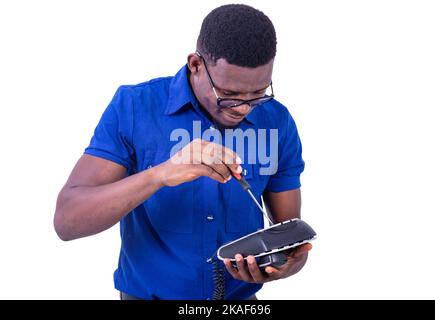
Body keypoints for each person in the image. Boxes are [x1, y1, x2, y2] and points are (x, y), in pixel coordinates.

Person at [54, 4, 312, 300]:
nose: (242, 108)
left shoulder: (277, 121)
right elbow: (66, 220)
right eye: (228, 95)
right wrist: (161, 175)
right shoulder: (135, 106)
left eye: (257, 94)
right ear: (195, 65)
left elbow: (290, 237)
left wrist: (289, 264)